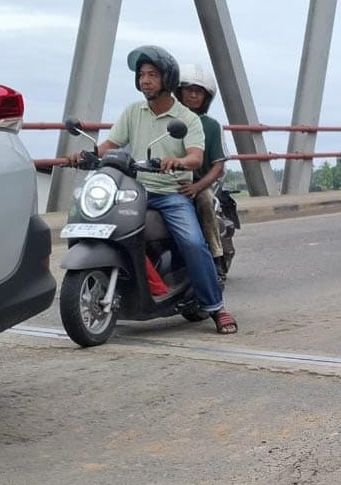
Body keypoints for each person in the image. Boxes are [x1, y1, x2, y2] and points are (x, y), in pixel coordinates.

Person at [68, 45, 237, 334]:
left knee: (194, 243)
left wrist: (178, 161)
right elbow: (112, 145)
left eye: (152, 75)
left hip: (171, 194)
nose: (145, 80)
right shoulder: (134, 112)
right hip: (136, 190)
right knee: (106, 226)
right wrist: (86, 154)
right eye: (142, 75)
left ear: (167, 79)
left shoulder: (187, 119)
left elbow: (196, 156)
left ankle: (216, 307)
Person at [174, 63, 229, 278]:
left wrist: (198, 186)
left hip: (200, 182)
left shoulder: (211, 126)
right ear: (179, 93)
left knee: (205, 200)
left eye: (199, 92)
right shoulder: (166, 121)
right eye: (189, 91)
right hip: (169, 182)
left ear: (206, 98)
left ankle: (216, 256)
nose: (193, 96)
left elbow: (219, 166)